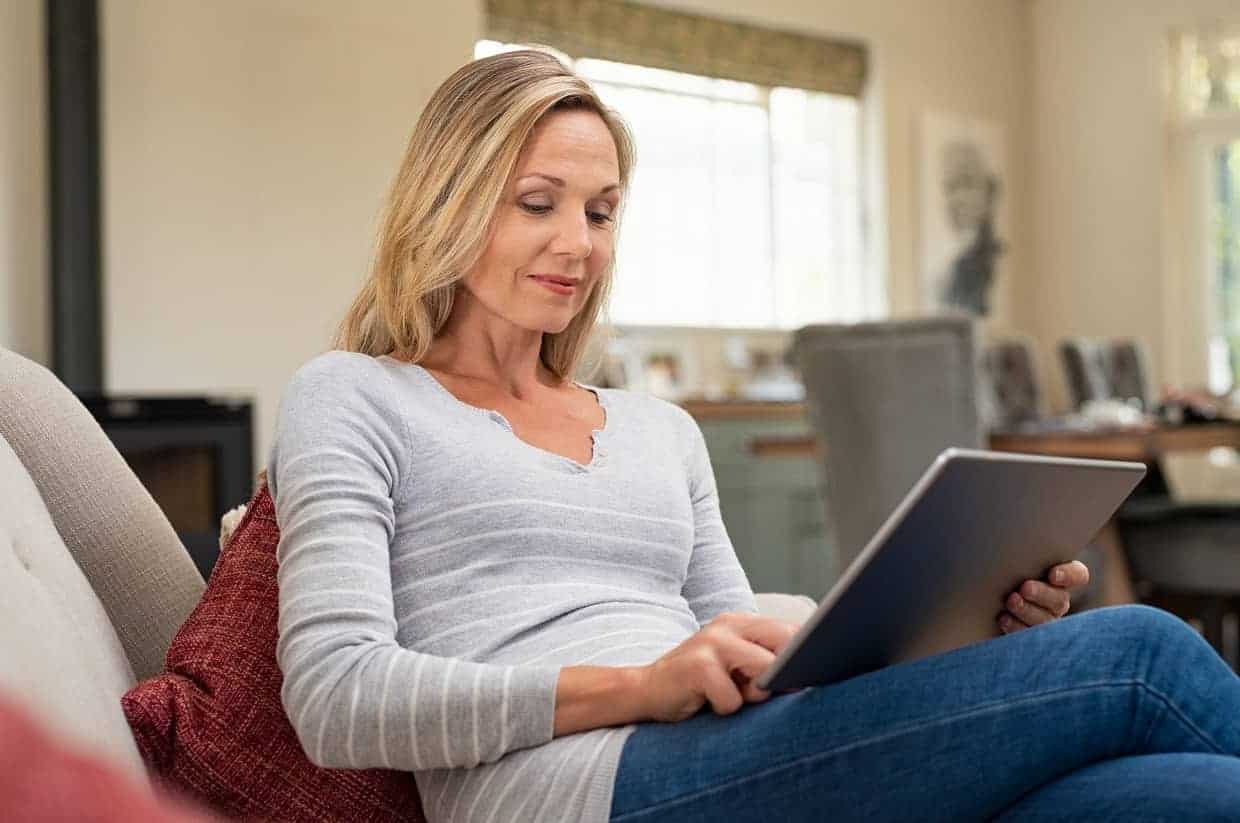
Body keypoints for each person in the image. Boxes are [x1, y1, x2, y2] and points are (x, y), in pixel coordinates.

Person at [267, 50, 1240, 823]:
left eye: (601, 212)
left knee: (1191, 797)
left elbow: (757, 657)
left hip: (729, 758)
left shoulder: (659, 429)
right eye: (538, 203)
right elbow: (337, 696)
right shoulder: (354, 397)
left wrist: (969, 630)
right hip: (578, 788)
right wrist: (638, 686)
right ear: (447, 196)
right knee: (1140, 654)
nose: (580, 243)